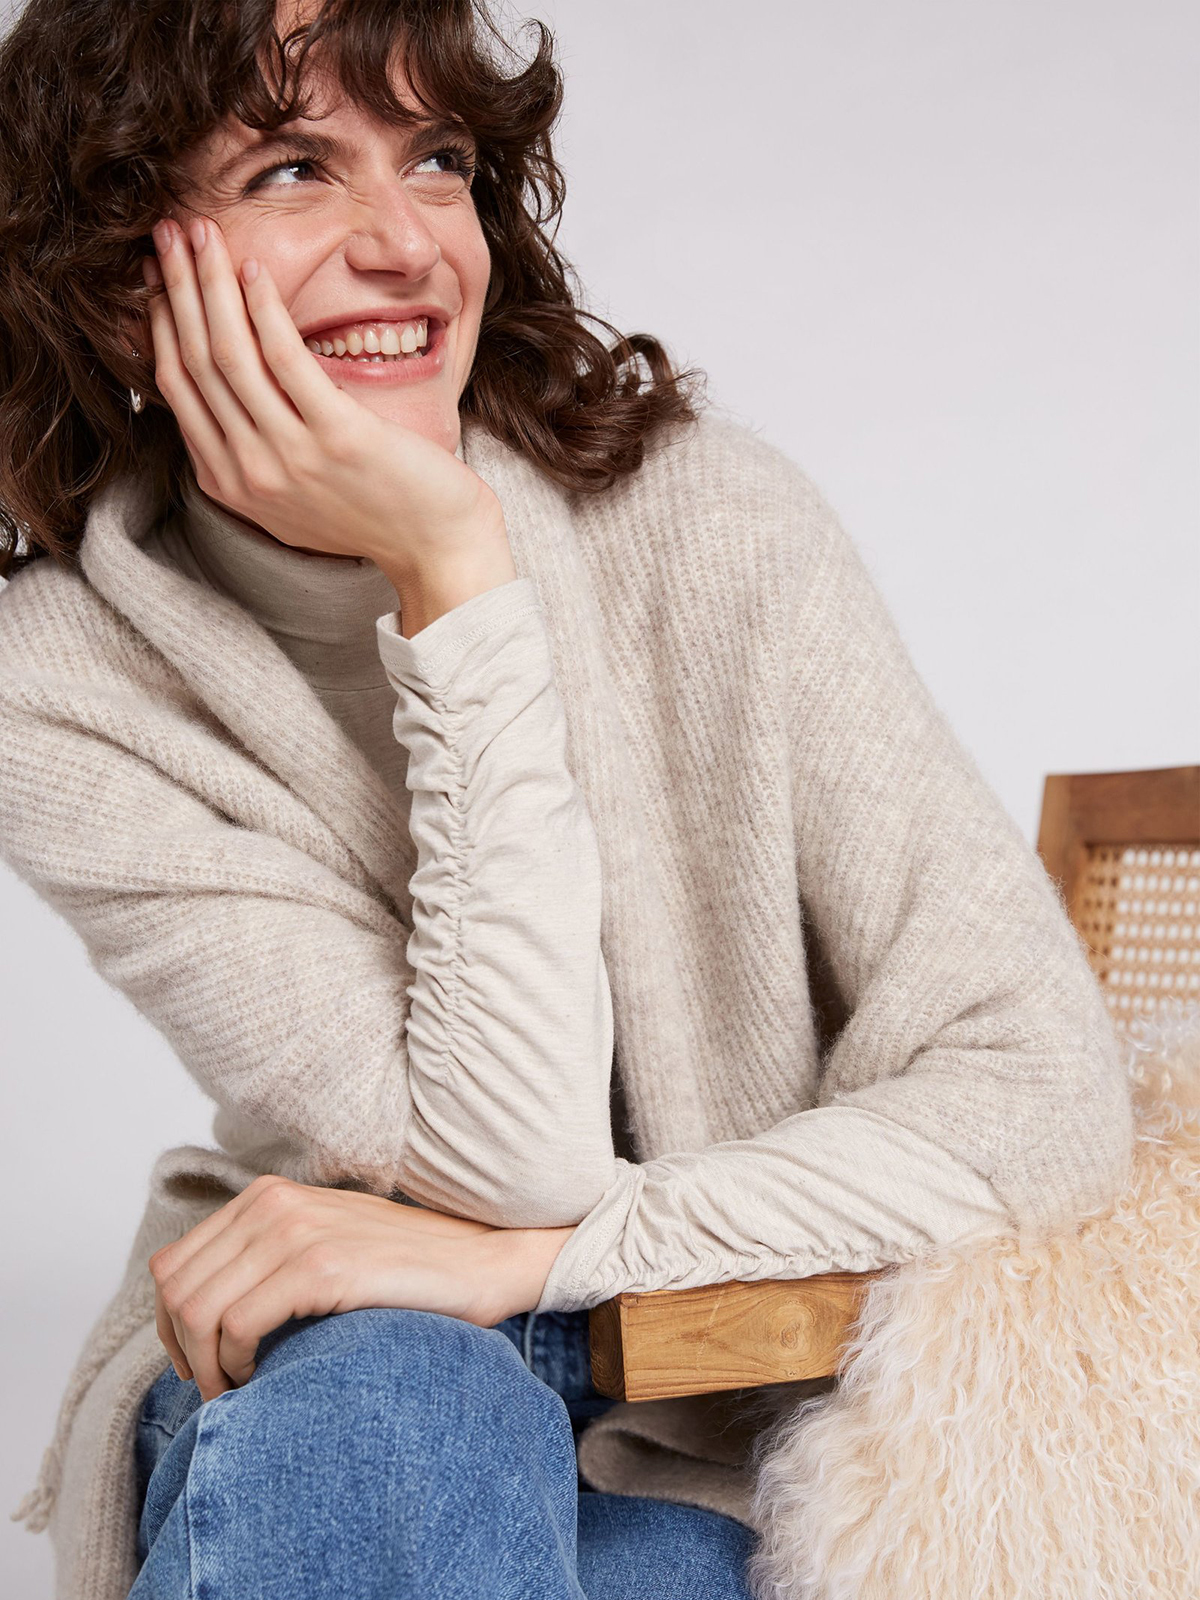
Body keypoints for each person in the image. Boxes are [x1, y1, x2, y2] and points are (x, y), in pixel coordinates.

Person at [0, 2, 1134, 1597]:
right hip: (333, 1360)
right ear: (121, 273)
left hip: (726, 1413)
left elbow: (1044, 1094)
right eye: (292, 171)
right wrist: (451, 578)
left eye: (437, 160)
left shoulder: (711, 524)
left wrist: (555, 1261)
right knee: (402, 1411)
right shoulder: (61, 681)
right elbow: (507, 1151)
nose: (405, 243)